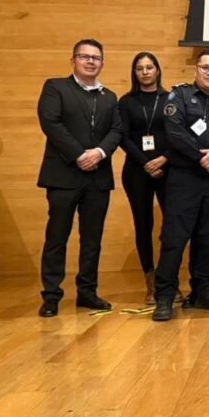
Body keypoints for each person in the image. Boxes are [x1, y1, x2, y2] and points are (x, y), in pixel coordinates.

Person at [151, 51, 209, 322]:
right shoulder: (179, 97)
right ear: (196, 70)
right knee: (174, 238)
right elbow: (174, 132)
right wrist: (201, 157)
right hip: (184, 177)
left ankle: (205, 289)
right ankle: (165, 295)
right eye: (206, 67)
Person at [37, 39, 122, 317]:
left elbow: (116, 131)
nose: (90, 61)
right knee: (57, 237)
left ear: (102, 63)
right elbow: (51, 123)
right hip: (63, 175)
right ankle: (51, 295)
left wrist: (98, 153)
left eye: (96, 58)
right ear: (73, 60)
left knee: (92, 239)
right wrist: (78, 155)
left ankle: (87, 292)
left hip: (98, 177)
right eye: (84, 56)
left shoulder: (110, 97)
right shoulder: (55, 87)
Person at [118, 51, 168, 305]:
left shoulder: (170, 99)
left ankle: (167, 280)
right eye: (140, 68)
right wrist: (146, 162)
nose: (145, 72)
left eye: (150, 67)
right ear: (134, 73)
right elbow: (123, 137)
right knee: (143, 224)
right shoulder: (126, 102)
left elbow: (178, 134)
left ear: (157, 70)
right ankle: (150, 282)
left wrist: (163, 159)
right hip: (137, 170)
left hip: (168, 168)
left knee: (173, 225)